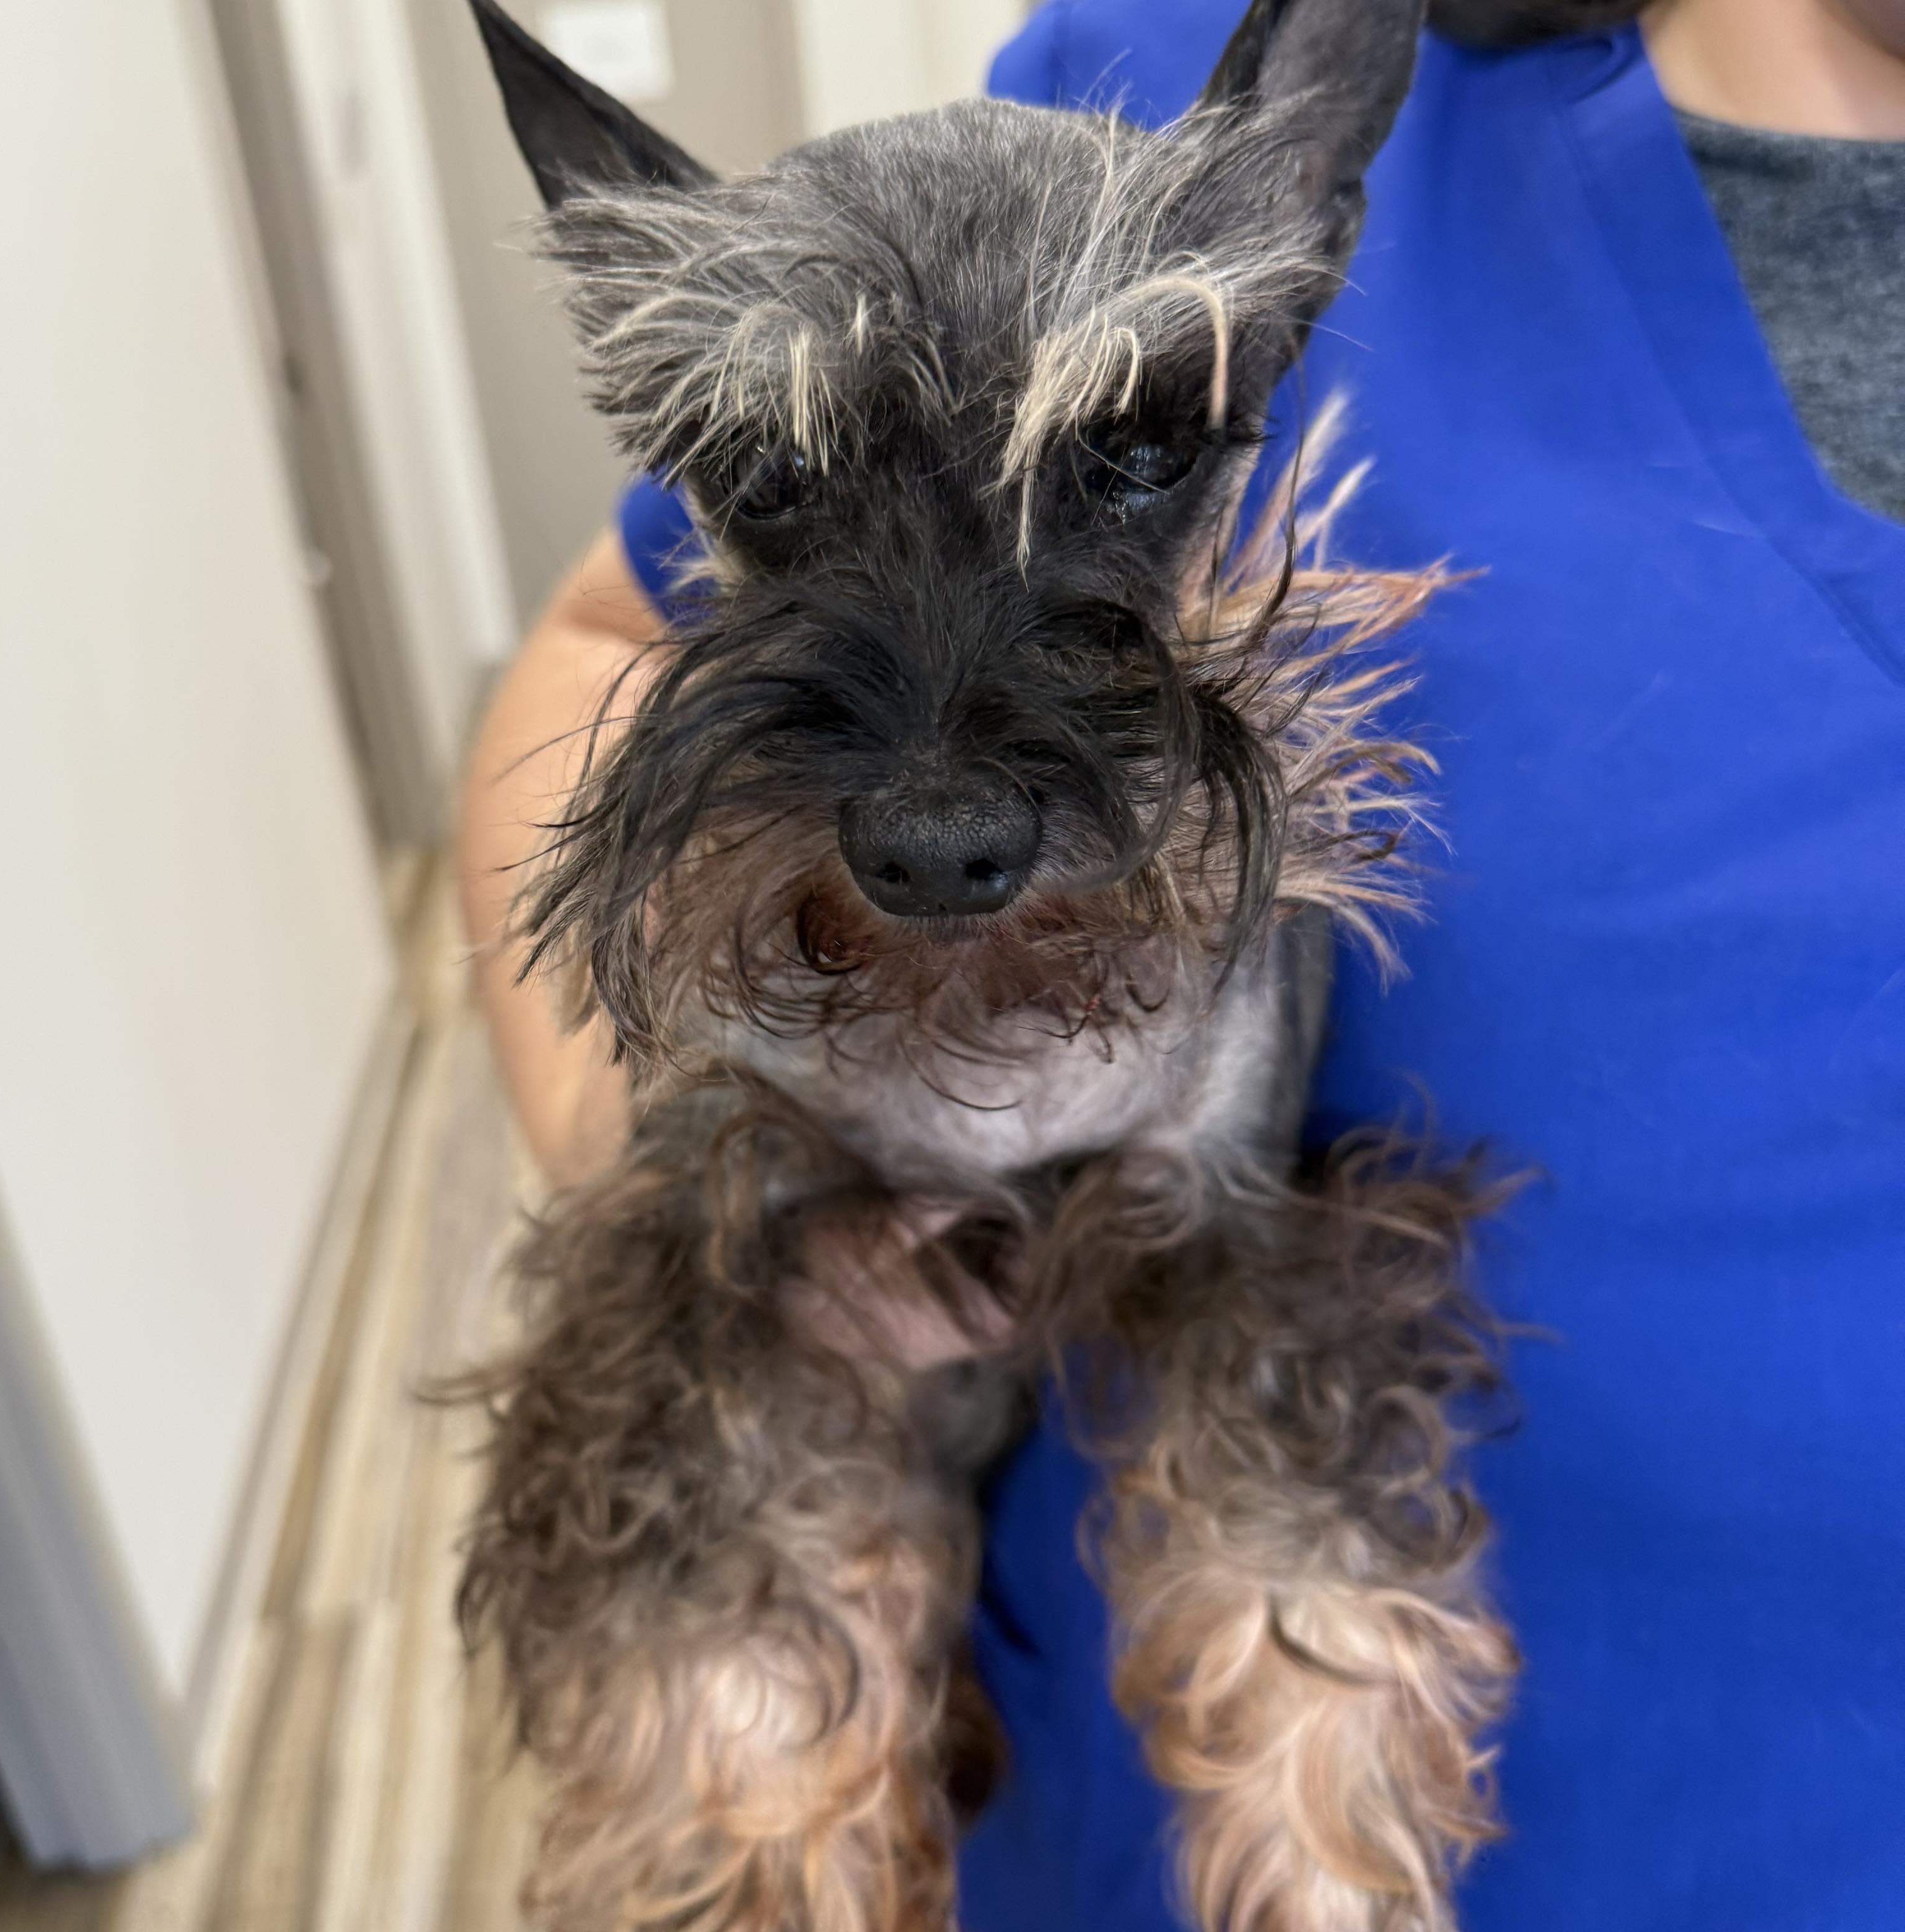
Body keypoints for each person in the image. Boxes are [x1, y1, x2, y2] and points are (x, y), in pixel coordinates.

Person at [458, 0, 1905, 1924]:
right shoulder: (1131, 97)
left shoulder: (1216, 192)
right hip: (1063, 1756)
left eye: (1130, 456)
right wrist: (664, 1192)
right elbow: (593, 642)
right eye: (790, 494)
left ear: (1311, 218)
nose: (945, 807)